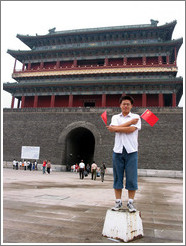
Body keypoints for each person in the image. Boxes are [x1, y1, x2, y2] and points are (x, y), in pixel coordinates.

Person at [106, 95, 141, 212]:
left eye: (128, 104)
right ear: (120, 105)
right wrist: (129, 123)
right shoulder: (115, 117)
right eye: (123, 104)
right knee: (117, 177)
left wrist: (116, 128)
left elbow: (131, 130)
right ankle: (118, 202)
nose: (125, 106)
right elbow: (115, 128)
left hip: (131, 151)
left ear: (131, 106)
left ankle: (130, 202)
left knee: (131, 177)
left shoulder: (136, 117)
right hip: (118, 150)